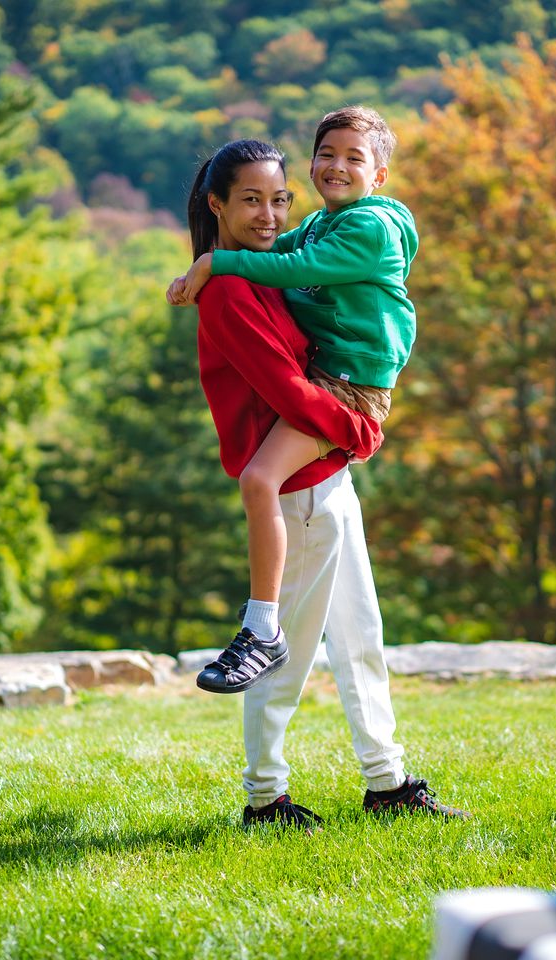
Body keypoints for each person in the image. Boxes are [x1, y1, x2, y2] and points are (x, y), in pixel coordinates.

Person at [183, 138, 466, 827]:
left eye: (279, 198)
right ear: (216, 204)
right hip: (299, 487)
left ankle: (387, 783)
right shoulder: (227, 288)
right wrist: (356, 427)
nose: (268, 214)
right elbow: (283, 384)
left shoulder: (270, 268)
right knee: (287, 654)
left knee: (360, 638)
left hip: (325, 472)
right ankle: (264, 798)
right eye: (249, 199)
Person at [171, 107, 419, 697]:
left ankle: (261, 627)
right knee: (356, 638)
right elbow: (281, 250)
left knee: (259, 480)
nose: (336, 166)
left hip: (347, 387)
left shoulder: (368, 228)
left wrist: (213, 260)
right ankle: (361, 781)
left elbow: (293, 266)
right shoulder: (320, 225)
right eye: (327, 154)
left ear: (379, 175)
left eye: (354, 158)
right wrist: (216, 262)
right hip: (329, 385)